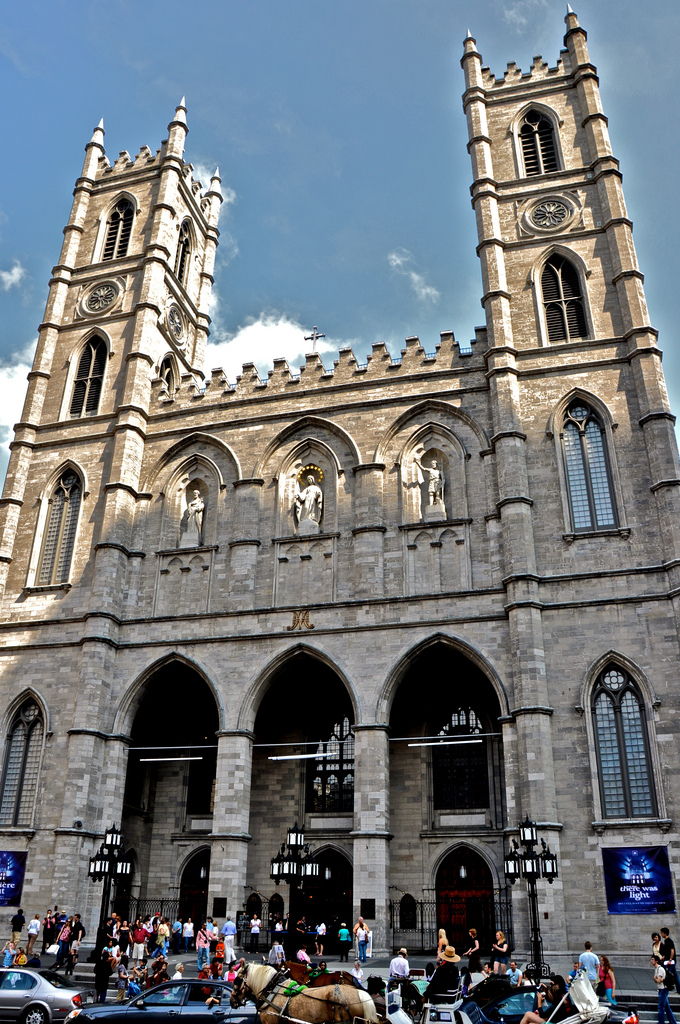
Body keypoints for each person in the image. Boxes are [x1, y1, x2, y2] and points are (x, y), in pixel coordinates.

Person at [652, 955, 678, 1024]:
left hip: (663, 989)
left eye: (652, 959)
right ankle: (673, 1022)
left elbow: (658, 980)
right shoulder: (656, 969)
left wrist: (656, 979)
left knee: (661, 1007)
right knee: (667, 1007)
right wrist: (656, 979)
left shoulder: (660, 969)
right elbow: (656, 980)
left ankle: (661, 1022)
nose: (651, 961)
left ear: (656, 961)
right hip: (661, 989)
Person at [660, 929, 680, 995]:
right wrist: (664, 957)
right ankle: (678, 989)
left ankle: (670, 987)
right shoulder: (666, 941)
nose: (661, 934)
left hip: (670, 961)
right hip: (668, 961)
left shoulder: (669, 941)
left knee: (671, 975)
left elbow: (672, 951)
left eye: (662, 933)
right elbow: (667, 951)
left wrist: (670, 960)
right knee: (674, 975)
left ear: (665, 933)